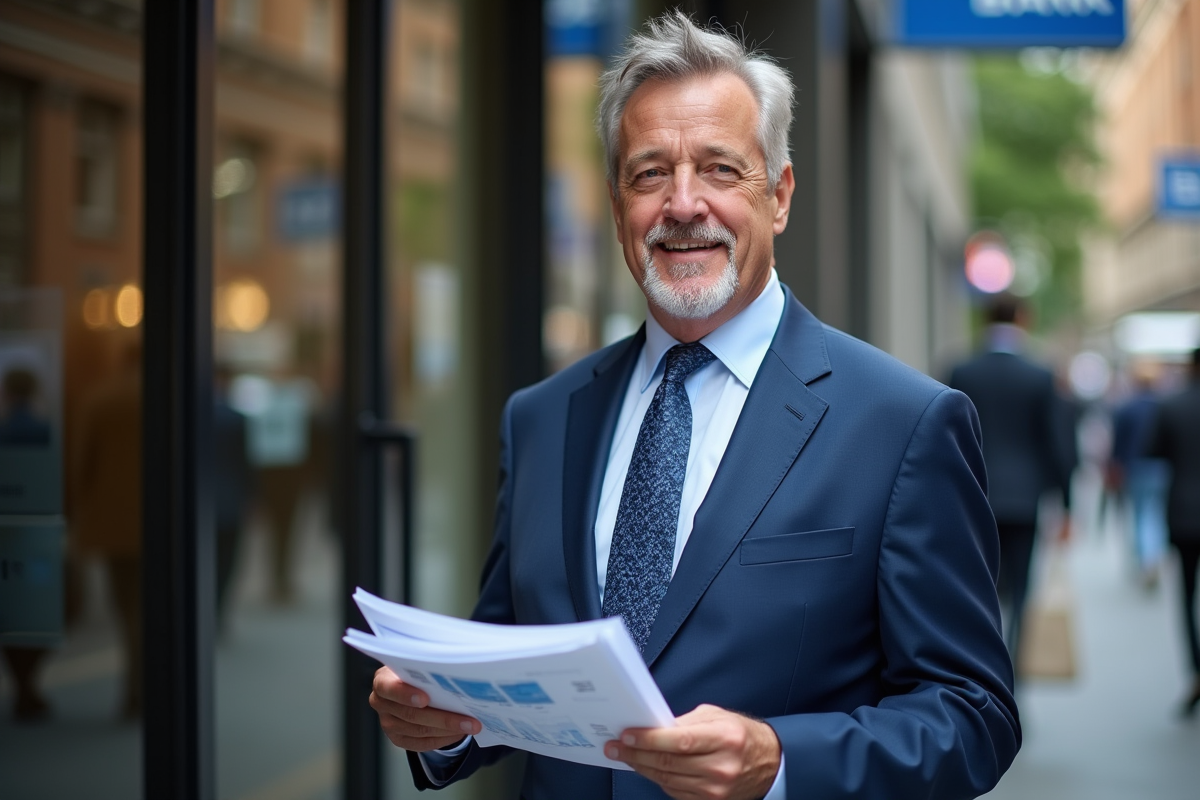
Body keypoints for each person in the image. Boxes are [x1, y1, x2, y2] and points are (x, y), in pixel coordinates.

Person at [371, 13, 1019, 800]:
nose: (683, 205)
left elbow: (971, 713)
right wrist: (443, 723)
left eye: (719, 169)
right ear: (617, 206)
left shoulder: (903, 424)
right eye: (649, 175)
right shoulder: (542, 418)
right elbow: (519, 658)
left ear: (777, 195)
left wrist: (782, 759)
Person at [71, 339, 143, 720]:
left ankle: (134, 685)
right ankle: (141, 684)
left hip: (113, 520)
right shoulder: (168, 397)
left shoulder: (100, 398)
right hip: (160, 525)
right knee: (150, 609)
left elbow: (81, 462)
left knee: (126, 606)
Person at [1145, 347, 1200, 717]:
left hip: (1185, 512)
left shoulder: (1172, 404)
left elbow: (1154, 450)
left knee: (1186, 595)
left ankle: (1195, 670)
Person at [1109, 360, 1169, 587]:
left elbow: (1118, 443)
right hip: (1161, 467)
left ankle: (1145, 559)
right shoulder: (1164, 405)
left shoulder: (1126, 407)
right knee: (1155, 514)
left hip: (1135, 468)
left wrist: (1115, 467)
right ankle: (1152, 556)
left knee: (1140, 515)